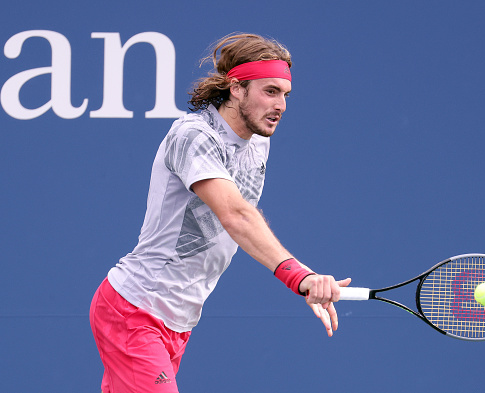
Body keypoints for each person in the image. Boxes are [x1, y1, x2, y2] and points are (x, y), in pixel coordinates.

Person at [89, 33, 351, 393]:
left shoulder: (259, 143)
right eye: (270, 91)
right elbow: (236, 215)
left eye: (285, 95)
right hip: (135, 310)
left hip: (179, 322)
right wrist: (299, 276)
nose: (281, 105)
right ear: (236, 88)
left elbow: (242, 221)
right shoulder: (193, 135)